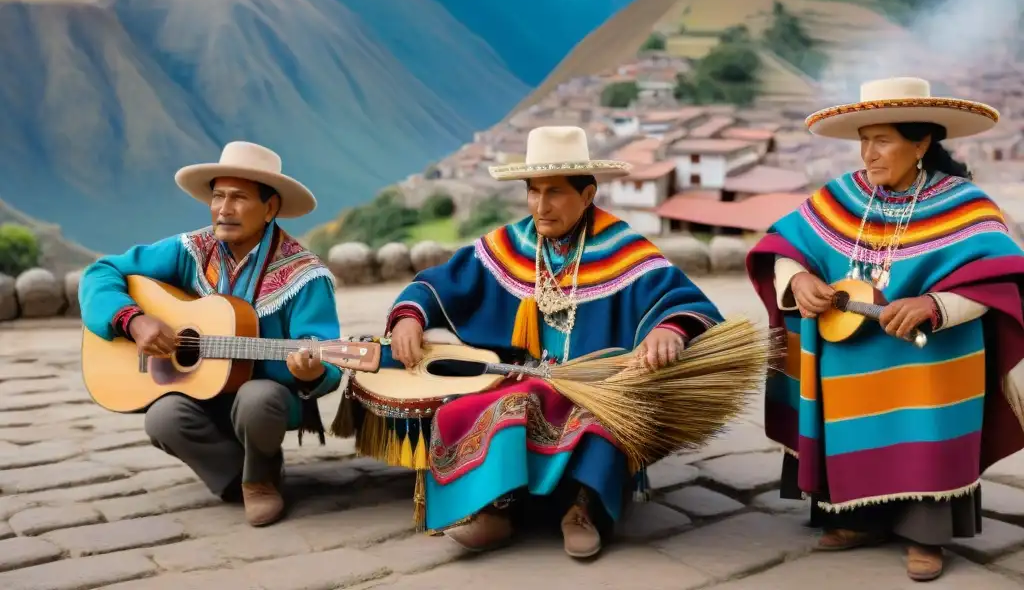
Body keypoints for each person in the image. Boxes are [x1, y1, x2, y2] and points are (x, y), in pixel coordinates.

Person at [363, 126, 723, 558]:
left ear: (587, 195)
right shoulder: (511, 245)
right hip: (522, 380)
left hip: (598, 386)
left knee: (600, 423)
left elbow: (682, 301)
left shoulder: (624, 250)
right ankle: (496, 509)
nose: (540, 205)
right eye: (533, 191)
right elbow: (440, 284)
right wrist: (409, 318)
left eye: (554, 192)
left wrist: (670, 330)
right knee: (472, 409)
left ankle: (582, 508)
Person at [746, 77, 1024, 582]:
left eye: (882, 140)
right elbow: (782, 246)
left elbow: (998, 282)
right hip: (850, 353)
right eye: (863, 140)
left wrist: (934, 304)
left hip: (928, 359)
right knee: (851, 425)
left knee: (923, 428)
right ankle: (857, 519)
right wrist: (801, 278)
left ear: (920, 143)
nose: (868, 154)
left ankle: (926, 533)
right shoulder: (841, 197)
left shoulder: (966, 205)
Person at [79, 141, 343, 528]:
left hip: (269, 399)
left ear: (270, 208)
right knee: (163, 418)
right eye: (218, 196)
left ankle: (261, 479)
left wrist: (311, 372)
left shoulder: (305, 274)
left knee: (258, 398)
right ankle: (236, 476)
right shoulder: (190, 250)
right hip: (200, 391)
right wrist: (133, 320)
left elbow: (329, 361)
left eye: (238, 198)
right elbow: (100, 272)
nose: (224, 208)